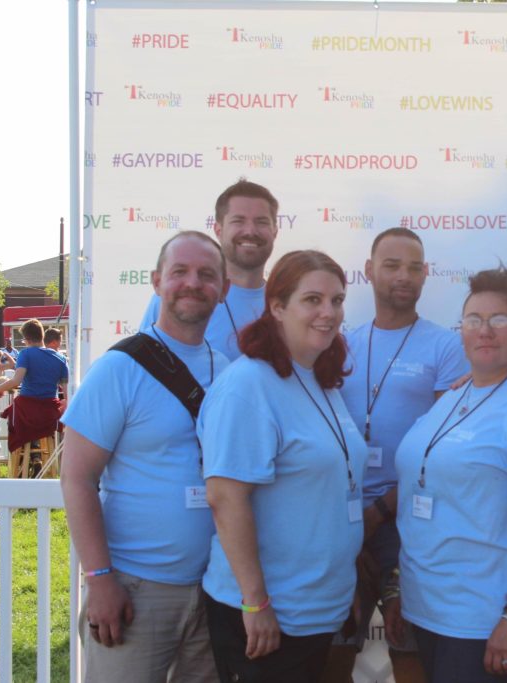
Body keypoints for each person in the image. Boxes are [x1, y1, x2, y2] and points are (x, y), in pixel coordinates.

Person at [386, 267, 507, 683]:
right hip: (428, 605)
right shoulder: (455, 394)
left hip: (485, 615)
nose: (484, 330)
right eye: (474, 319)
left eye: (499, 320)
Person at [61, 231, 229, 681]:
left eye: (206, 275)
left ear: (224, 289)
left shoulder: (230, 372)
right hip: (134, 590)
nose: (192, 283)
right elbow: (77, 478)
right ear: (157, 281)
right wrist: (99, 579)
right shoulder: (119, 369)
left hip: (215, 589)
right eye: (179, 272)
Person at [199, 250, 367, 683]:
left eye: (337, 300)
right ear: (277, 306)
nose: (328, 313)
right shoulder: (248, 385)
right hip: (267, 618)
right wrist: (255, 604)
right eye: (313, 300)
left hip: (316, 609)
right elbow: (226, 498)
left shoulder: (317, 377)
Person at [325, 229, 467, 683]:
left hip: (408, 521)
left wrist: (382, 510)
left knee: (409, 650)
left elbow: (445, 451)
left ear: (426, 275)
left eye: (414, 267)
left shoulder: (445, 346)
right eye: (392, 265)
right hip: (340, 519)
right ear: (368, 271)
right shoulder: (340, 343)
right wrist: (352, 517)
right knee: (334, 647)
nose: (403, 276)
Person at [142, 179, 279, 361]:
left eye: (261, 222)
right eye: (238, 221)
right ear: (218, 229)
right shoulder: (177, 296)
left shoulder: (285, 304)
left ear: (275, 232)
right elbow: (144, 367)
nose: (250, 231)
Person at [0, 318, 69, 453]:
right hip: (50, 415)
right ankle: (36, 456)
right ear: (42, 336)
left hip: (27, 411)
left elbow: (16, 381)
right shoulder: (61, 358)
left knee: (15, 414)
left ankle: (23, 457)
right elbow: (67, 391)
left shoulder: (25, 354)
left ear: (26, 339)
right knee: (34, 417)